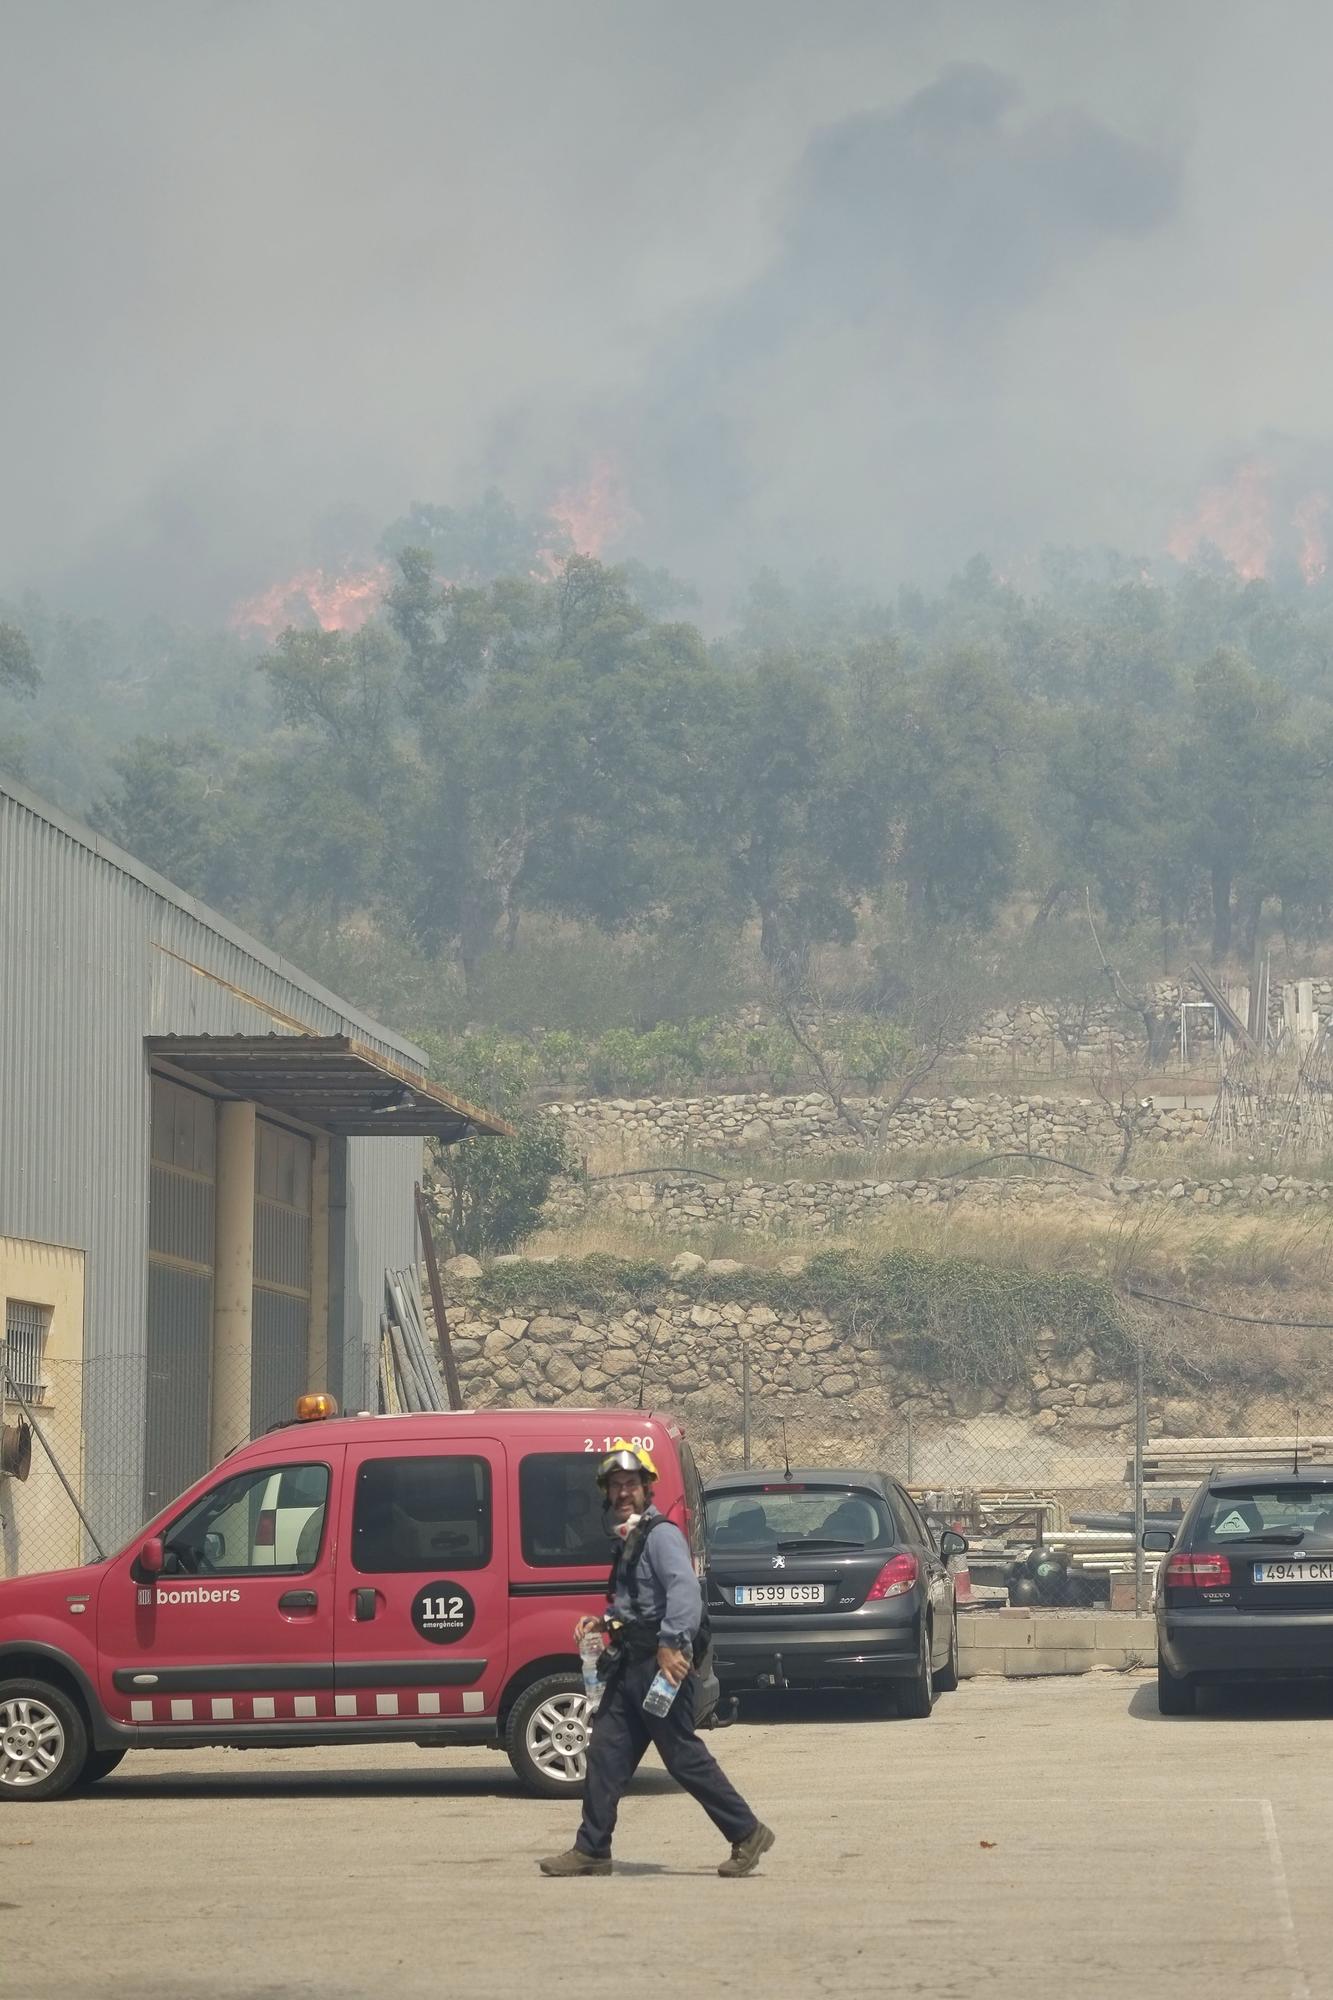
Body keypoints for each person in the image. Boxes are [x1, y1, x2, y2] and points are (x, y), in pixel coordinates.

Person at [539, 1440, 774, 1879]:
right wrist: (603, 1623)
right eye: (616, 1485)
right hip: (630, 1666)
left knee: (682, 1755)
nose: (623, 1492)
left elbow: (684, 1593)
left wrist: (671, 1644)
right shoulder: (629, 1539)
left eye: (631, 1483)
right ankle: (592, 1849)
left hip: (661, 1668)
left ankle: (747, 1832)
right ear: (606, 1493)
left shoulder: (662, 1535)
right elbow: (635, 1606)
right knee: (606, 1755)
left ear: (648, 1489)